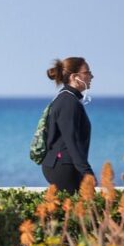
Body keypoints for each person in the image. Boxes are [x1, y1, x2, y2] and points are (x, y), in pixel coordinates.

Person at [42, 57, 95, 194]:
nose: (91, 76)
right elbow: (72, 142)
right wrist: (87, 173)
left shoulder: (66, 98)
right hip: (63, 167)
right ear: (75, 77)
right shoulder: (68, 102)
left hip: (60, 164)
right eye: (87, 72)